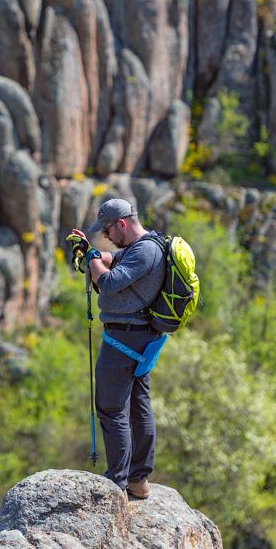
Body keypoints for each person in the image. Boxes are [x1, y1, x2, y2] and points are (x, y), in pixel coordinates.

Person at [70, 198, 166, 500]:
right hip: (139, 339)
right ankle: (138, 479)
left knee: (113, 411)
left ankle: (118, 481)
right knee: (138, 405)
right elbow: (113, 258)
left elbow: (110, 283)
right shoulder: (144, 246)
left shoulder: (146, 250)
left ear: (122, 223)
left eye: (108, 230)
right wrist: (95, 253)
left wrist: (90, 261)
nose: (106, 236)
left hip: (124, 341)